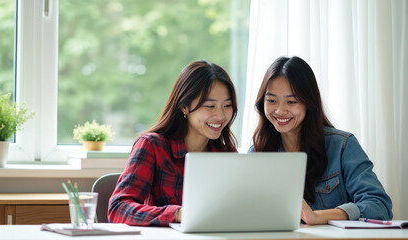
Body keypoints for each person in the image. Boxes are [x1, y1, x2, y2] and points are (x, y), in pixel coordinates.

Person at [249, 56, 393, 225]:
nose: (280, 110)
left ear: (308, 103)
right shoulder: (257, 153)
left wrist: (318, 216)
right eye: (271, 100)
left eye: (292, 101)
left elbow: (380, 206)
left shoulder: (343, 146)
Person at [108, 60, 238, 226]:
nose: (220, 115)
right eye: (210, 106)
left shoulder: (227, 155)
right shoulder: (152, 146)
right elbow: (118, 208)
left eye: (227, 105)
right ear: (184, 107)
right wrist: (177, 214)